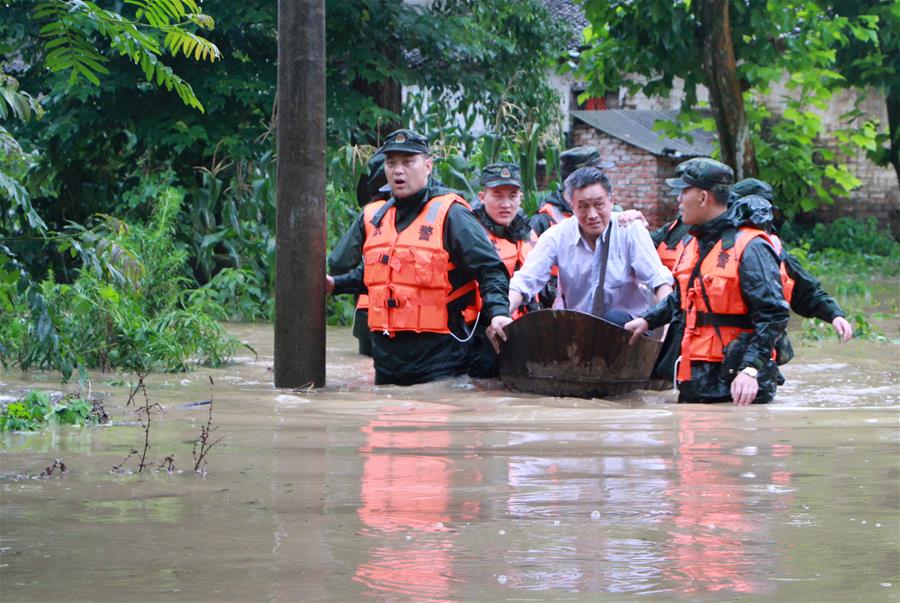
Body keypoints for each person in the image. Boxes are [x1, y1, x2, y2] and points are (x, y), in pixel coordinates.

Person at [325, 129, 511, 385]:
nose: (398, 171)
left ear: (427, 166)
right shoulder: (374, 216)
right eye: (391, 163)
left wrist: (499, 312)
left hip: (440, 363)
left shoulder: (451, 214)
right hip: (386, 365)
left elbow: (490, 268)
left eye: (408, 162)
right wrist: (335, 285)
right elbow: (375, 274)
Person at [624, 159, 790, 405]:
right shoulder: (692, 242)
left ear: (703, 197)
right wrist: (648, 319)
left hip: (740, 385)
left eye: (683, 191)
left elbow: (773, 314)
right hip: (697, 376)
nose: (678, 199)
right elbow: (682, 298)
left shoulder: (750, 247)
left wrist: (750, 369)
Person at [488, 166, 674, 351]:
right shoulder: (557, 236)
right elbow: (524, 282)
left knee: (614, 319)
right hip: (576, 331)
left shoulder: (630, 230)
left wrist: (659, 322)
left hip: (628, 330)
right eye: (583, 206)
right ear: (572, 206)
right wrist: (501, 314)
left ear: (611, 201)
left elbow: (659, 280)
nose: (592, 215)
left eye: (599, 204)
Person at [730, 178, 853, 343]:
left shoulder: (774, 251)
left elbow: (805, 291)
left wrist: (834, 315)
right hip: (717, 349)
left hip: (757, 346)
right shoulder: (711, 244)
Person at [468, 162, 539, 377]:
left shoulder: (528, 233)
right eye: (497, 196)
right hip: (478, 333)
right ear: (482, 197)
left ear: (521, 198)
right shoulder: (469, 232)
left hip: (520, 329)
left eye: (513, 196)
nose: (506, 204)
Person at [328, 152, 391, 357]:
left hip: (369, 313)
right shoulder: (430, 209)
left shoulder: (370, 213)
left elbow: (339, 262)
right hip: (418, 324)